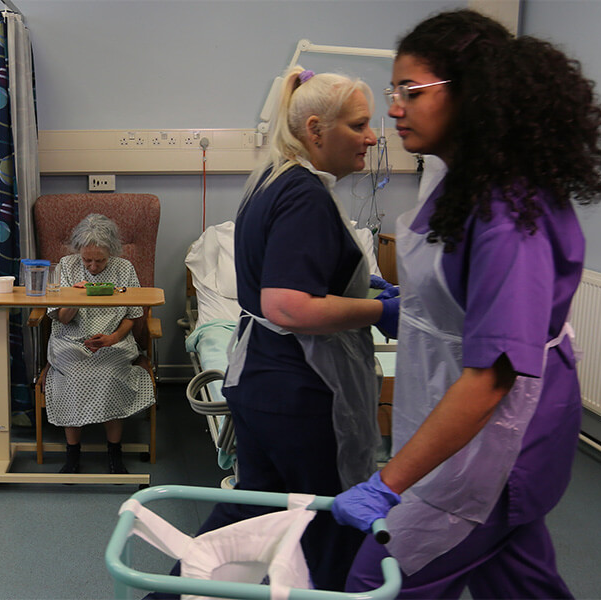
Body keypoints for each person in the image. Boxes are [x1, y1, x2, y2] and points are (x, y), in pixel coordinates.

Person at [332, 10, 601, 599]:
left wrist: (388, 484)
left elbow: (493, 377)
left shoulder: (508, 213)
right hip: (464, 411)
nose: (394, 108)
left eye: (412, 91)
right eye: (395, 91)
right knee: (517, 580)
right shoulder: (464, 183)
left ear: (473, 95)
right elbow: (465, 299)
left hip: (499, 436)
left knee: (377, 581)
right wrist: (410, 303)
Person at [181, 66, 398, 592]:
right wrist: (380, 312)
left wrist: (353, 279)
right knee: (327, 522)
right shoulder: (305, 194)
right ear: (317, 129)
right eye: (360, 125)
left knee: (253, 512)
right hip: (298, 389)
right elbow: (287, 306)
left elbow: (284, 269)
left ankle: (167, 590)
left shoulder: (273, 176)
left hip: (260, 380)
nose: (373, 137)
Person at [42, 213, 155, 475]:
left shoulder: (124, 269)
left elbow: (133, 314)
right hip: (70, 341)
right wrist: (76, 296)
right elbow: (61, 317)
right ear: (79, 253)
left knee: (109, 374)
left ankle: (114, 452)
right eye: (87, 260)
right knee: (73, 374)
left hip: (112, 342)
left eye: (100, 260)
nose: (93, 267)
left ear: (111, 253)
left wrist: (113, 338)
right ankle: (73, 453)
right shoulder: (66, 267)